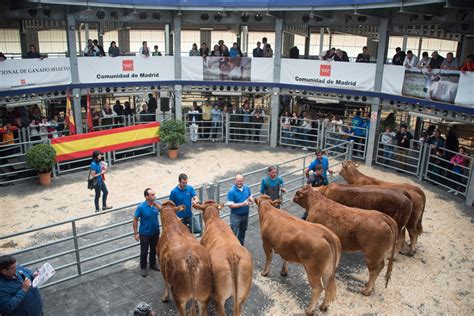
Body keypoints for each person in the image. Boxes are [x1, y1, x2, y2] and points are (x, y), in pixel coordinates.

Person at [133, 188, 161, 277]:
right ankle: (143, 267)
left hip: (155, 232)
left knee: (154, 250)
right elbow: (135, 219)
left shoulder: (157, 205)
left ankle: (153, 264)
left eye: (154, 194)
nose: (154, 196)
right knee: (144, 251)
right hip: (145, 234)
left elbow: (164, 211)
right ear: (146, 197)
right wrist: (135, 233)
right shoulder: (141, 207)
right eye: (152, 195)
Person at [227, 174, 254, 246]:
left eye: (241, 181)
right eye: (237, 181)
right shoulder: (231, 191)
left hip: (245, 214)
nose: (239, 183)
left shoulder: (247, 188)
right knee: (233, 232)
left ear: (243, 181)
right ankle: (231, 247)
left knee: (243, 230)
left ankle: (241, 245)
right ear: (234, 181)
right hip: (235, 215)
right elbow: (230, 205)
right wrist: (243, 204)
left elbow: (249, 195)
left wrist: (251, 198)